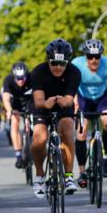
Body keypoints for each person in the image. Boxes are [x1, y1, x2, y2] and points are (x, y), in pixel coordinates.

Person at [29, 39, 80, 197]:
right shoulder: (38, 72)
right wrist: (47, 104)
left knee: (67, 130)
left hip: (63, 105)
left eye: (62, 63)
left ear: (68, 62)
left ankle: (69, 176)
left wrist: (62, 101)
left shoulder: (74, 72)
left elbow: (69, 100)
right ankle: (39, 176)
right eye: (54, 63)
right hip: (43, 105)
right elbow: (38, 101)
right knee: (39, 137)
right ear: (48, 60)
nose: (58, 67)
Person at [72, 38, 107, 188]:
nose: (94, 60)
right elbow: (72, 86)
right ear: (85, 56)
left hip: (101, 98)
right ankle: (82, 171)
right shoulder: (77, 64)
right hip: (83, 99)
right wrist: (75, 104)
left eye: (97, 56)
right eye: (90, 56)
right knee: (81, 132)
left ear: (101, 55)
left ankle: (105, 157)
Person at [2, 61, 33, 169]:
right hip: (16, 103)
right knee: (14, 123)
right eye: (18, 78)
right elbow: (5, 98)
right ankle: (19, 156)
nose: (21, 80)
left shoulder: (32, 77)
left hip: (30, 102)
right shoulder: (8, 80)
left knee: (32, 122)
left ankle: (32, 143)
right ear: (14, 76)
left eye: (23, 78)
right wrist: (9, 110)